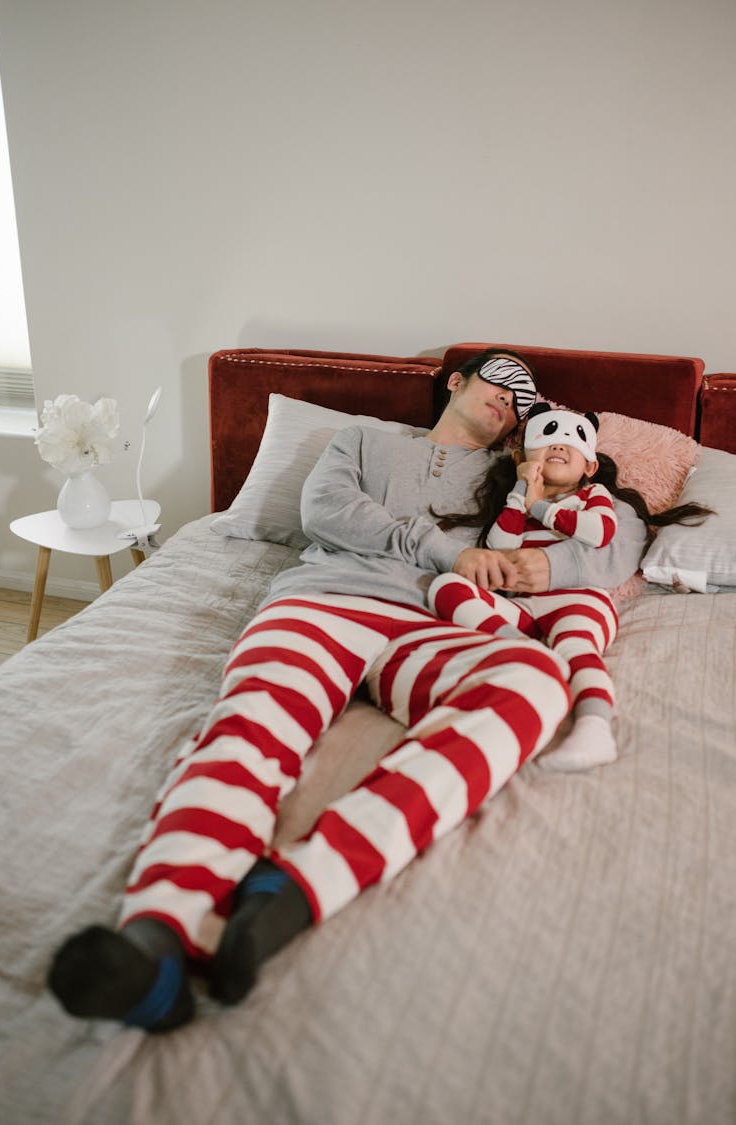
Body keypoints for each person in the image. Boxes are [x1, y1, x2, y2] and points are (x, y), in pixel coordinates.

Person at [47, 350, 649, 1033]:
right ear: (455, 381)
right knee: (251, 724)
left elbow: (623, 532)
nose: (510, 401)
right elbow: (324, 508)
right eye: (501, 381)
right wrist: (443, 548)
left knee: (538, 682)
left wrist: (544, 563)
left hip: (437, 621)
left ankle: (303, 886)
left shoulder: (519, 479)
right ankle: (156, 937)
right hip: (324, 601)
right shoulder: (361, 440)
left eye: (525, 401)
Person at [429, 402, 714, 770]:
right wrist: (520, 496)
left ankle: (594, 729)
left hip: (578, 599)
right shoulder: (518, 499)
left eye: (571, 443)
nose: (559, 447)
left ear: (590, 465)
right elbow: (501, 546)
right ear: (521, 457)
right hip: (523, 605)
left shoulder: (592, 496)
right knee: (446, 587)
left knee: (577, 647)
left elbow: (600, 533)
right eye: (547, 441)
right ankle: (526, 652)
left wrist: (540, 509)